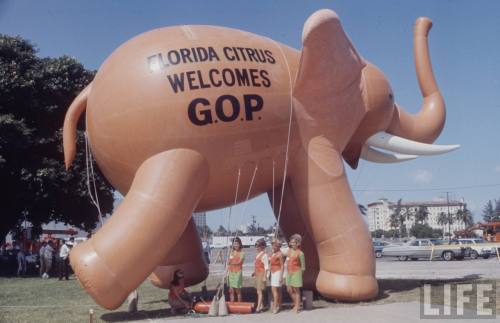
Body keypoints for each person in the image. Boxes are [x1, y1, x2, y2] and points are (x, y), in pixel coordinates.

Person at [285, 234, 305, 313]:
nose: (292, 244)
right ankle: (297, 304)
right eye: (291, 242)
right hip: (289, 273)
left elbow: (303, 267)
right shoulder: (288, 251)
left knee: (296, 291)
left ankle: (296, 307)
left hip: (297, 273)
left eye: (294, 242)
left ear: (297, 244)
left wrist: (300, 275)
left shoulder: (300, 253)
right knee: (289, 289)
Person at [252, 238, 269, 312]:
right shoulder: (257, 255)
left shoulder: (264, 255)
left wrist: (265, 277)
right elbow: (257, 265)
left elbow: (266, 267)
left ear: (262, 247)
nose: (257, 248)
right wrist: (254, 272)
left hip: (261, 274)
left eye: (258, 246)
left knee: (259, 291)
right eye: (256, 246)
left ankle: (258, 307)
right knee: (258, 291)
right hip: (257, 273)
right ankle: (261, 305)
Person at [227, 237, 244, 302]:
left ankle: (239, 305)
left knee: (237, 290)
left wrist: (231, 262)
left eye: (237, 244)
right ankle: (232, 304)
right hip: (231, 273)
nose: (235, 245)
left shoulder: (242, 253)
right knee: (231, 290)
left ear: (240, 244)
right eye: (234, 244)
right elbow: (228, 262)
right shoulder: (231, 253)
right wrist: (228, 264)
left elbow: (239, 262)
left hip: (238, 273)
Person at [269, 239, 284, 313]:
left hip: (277, 272)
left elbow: (282, 266)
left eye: (275, 245)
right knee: (278, 290)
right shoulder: (273, 253)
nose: (273, 247)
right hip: (273, 272)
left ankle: (275, 306)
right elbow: (270, 263)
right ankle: (279, 305)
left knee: (274, 290)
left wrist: (281, 276)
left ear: (278, 246)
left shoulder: (279, 254)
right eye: (273, 245)